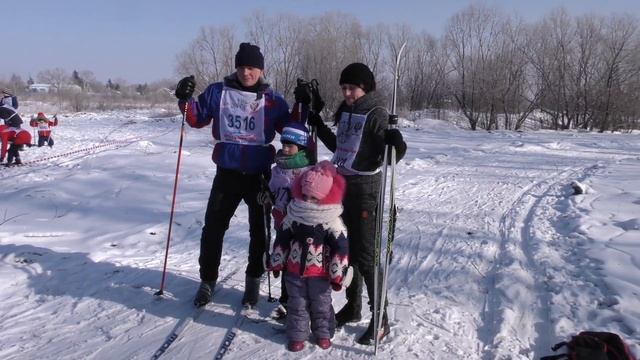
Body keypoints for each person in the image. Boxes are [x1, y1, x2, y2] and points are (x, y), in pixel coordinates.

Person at [174, 42, 290, 308]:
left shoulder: (272, 99)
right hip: (226, 173)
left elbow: (291, 128)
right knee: (213, 228)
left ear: (260, 69)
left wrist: (306, 107)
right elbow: (195, 117)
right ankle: (207, 281)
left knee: (259, 232)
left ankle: (253, 282)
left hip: (259, 175)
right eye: (241, 66)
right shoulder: (218, 92)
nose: (246, 72)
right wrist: (184, 99)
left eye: (251, 67)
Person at [305, 62, 407, 345]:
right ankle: (353, 307)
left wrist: (396, 145)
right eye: (344, 88)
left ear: (366, 87)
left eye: (352, 88)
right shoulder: (348, 111)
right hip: (343, 186)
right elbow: (341, 147)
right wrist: (319, 126)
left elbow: (389, 155)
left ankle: (380, 317)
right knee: (345, 249)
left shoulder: (376, 114)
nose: (347, 93)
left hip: (365, 189)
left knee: (366, 255)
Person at [267, 161, 350, 352]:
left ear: (325, 198)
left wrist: (338, 273)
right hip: (294, 271)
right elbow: (282, 239)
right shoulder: (294, 214)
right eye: (305, 196)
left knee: (321, 305)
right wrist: (277, 261)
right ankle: (297, 335)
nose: (307, 201)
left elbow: (341, 246)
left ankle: (323, 333)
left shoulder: (331, 220)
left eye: (313, 198)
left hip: (320, 273)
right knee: (297, 305)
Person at [262, 122, 316, 320]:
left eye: (290, 146)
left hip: (301, 224)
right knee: (284, 261)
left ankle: (304, 301)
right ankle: (285, 301)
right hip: (281, 222)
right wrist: (267, 196)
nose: (284, 148)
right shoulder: (277, 169)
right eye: (283, 144)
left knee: (300, 262)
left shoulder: (309, 170)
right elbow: (272, 190)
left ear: (300, 147)